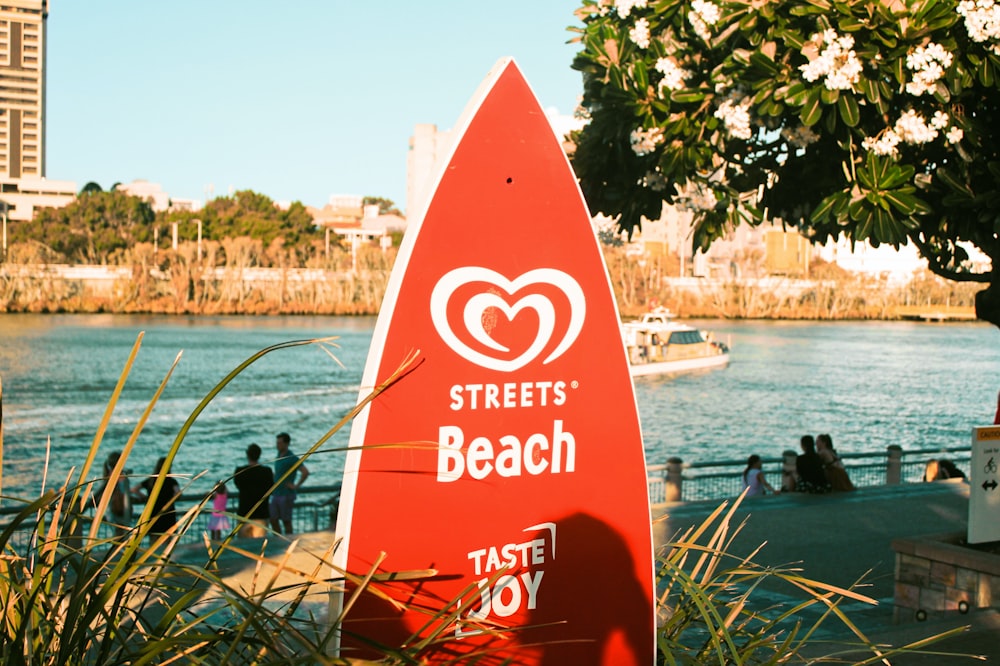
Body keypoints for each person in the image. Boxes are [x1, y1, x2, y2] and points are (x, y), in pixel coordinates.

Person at [133, 456, 181, 543]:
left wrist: (144, 497)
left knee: (153, 539)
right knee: (167, 539)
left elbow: (134, 489)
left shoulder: (151, 480)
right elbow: (178, 493)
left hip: (153, 512)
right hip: (167, 512)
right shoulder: (171, 481)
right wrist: (171, 501)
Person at [270, 432, 309, 535]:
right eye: (277, 443)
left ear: (286, 444)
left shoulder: (291, 457)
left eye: (280, 443)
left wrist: (296, 486)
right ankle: (278, 539)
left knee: (286, 521)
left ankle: (288, 540)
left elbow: (305, 472)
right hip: (276, 493)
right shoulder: (279, 455)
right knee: (273, 519)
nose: (277, 445)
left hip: (286, 494)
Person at [234, 443, 274, 537]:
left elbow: (238, 485)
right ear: (259, 455)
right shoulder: (267, 472)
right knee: (259, 547)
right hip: (261, 513)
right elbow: (271, 487)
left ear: (247, 454)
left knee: (243, 546)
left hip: (244, 514)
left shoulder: (240, 471)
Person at [98, 450, 133, 537]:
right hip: (122, 513)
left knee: (115, 539)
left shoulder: (107, 477)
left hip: (112, 513)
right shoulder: (123, 479)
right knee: (123, 539)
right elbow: (126, 498)